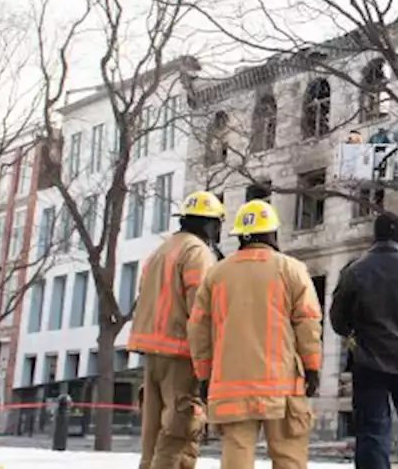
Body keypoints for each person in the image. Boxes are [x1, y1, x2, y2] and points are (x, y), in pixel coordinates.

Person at [188, 198, 323, 469]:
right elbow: (308, 322)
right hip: (282, 386)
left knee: (236, 455)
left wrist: (204, 375)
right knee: (288, 456)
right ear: (273, 233)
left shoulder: (216, 274)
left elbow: (198, 329)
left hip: (231, 386)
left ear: (239, 236)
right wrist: (312, 368)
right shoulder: (291, 269)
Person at [330, 212, 398, 469]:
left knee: (372, 432)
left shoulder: (354, 271)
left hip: (369, 362)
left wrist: (355, 334)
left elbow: (338, 320)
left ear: (374, 238)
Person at [130, 190, 226, 469]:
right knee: (179, 430)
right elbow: (202, 311)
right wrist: (210, 358)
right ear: (209, 223)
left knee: (154, 434)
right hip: (182, 354)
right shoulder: (197, 253)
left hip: (154, 354)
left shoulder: (161, 251)